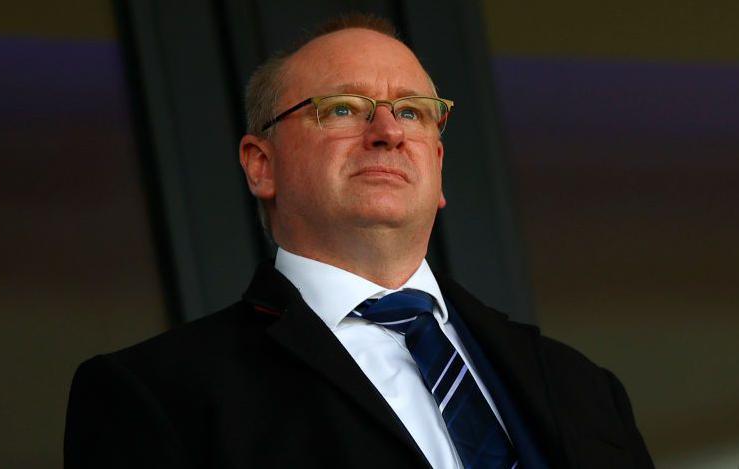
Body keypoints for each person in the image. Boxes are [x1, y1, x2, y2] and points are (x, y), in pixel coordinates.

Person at [64, 14, 653, 468]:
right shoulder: (156, 396)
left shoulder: (584, 387)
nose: (388, 132)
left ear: (439, 167)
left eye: (414, 112)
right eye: (343, 108)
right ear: (260, 165)